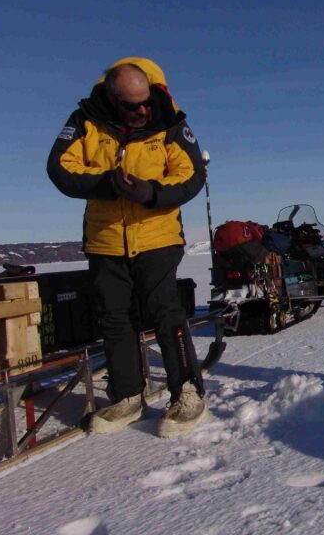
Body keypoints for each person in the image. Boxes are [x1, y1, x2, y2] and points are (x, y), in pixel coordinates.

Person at [48, 58, 207, 437]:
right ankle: (127, 396)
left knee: (165, 311)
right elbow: (60, 167)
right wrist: (106, 184)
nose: (142, 111)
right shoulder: (85, 120)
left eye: (146, 102)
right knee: (114, 317)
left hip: (157, 236)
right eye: (132, 105)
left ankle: (187, 393)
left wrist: (152, 192)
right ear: (112, 98)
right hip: (105, 240)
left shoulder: (170, 122)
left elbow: (191, 174)